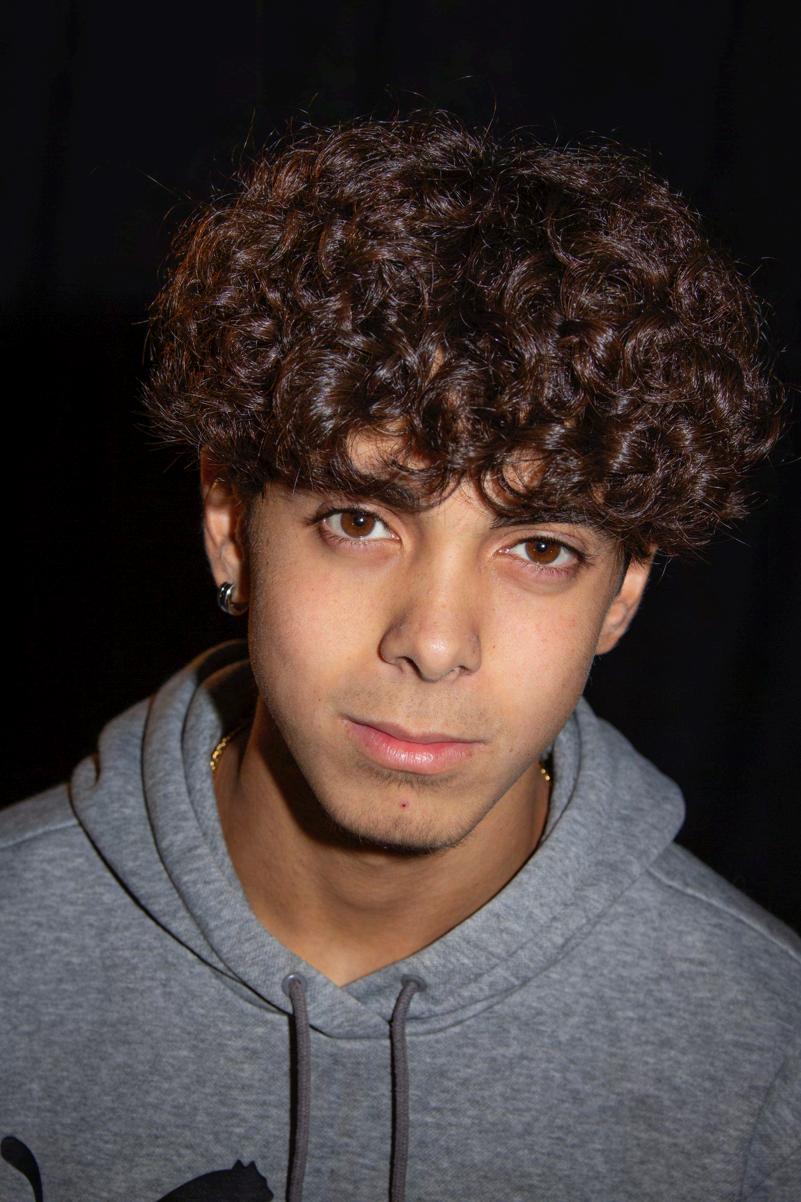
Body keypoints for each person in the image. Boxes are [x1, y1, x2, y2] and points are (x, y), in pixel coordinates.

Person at [1, 110, 799, 1202]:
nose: (433, 642)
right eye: (360, 521)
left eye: (540, 548)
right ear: (230, 526)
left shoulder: (766, 1062)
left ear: (623, 592)